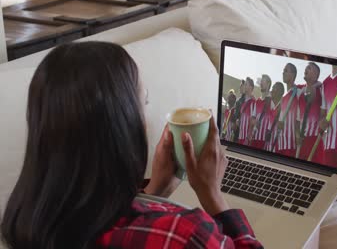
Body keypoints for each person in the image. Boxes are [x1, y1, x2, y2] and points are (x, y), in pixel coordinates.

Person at [0, 42, 263, 249]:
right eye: (143, 103)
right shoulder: (184, 234)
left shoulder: (24, 221)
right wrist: (213, 195)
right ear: (122, 126)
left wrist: (154, 191)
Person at [297, 63, 327, 162]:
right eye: (306, 67)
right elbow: (297, 118)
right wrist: (297, 134)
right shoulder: (299, 91)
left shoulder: (322, 89)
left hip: (315, 140)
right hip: (301, 141)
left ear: (316, 75)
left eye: (309, 68)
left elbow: (325, 114)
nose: (306, 69)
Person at [275, 63, 303, 157]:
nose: (283, 73)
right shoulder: (283, 97)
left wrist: (298, 135)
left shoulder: (298, 93)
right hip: (280, 143)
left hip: (291, 145)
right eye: (283, 71)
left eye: (286, 71)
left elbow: (300, 119)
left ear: (293, 74)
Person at [251, 75, 274, 150]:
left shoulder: (272, 101)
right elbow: (253, 118)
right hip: (254, 137)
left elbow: (274, 119)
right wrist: (254, 122)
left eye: (263, 81)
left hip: (265, 141)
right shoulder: (257, 101)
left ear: (268, 84)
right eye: (261, 81)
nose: (260, 83)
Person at [265, 82, 285, 152]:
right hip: (266, 145)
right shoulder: (267, 105)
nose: (272, 90)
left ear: (281, 92)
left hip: (278, 148)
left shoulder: (284, 108)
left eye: (274, 88)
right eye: (272, 88)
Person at [238, 77, 256, 146]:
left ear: (251, 87)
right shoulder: (243, 102)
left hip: (246, 138)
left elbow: (252, 121)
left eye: (246, 84)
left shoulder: (253, 102)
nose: (244, 86)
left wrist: (248, 137)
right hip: (240, 135)